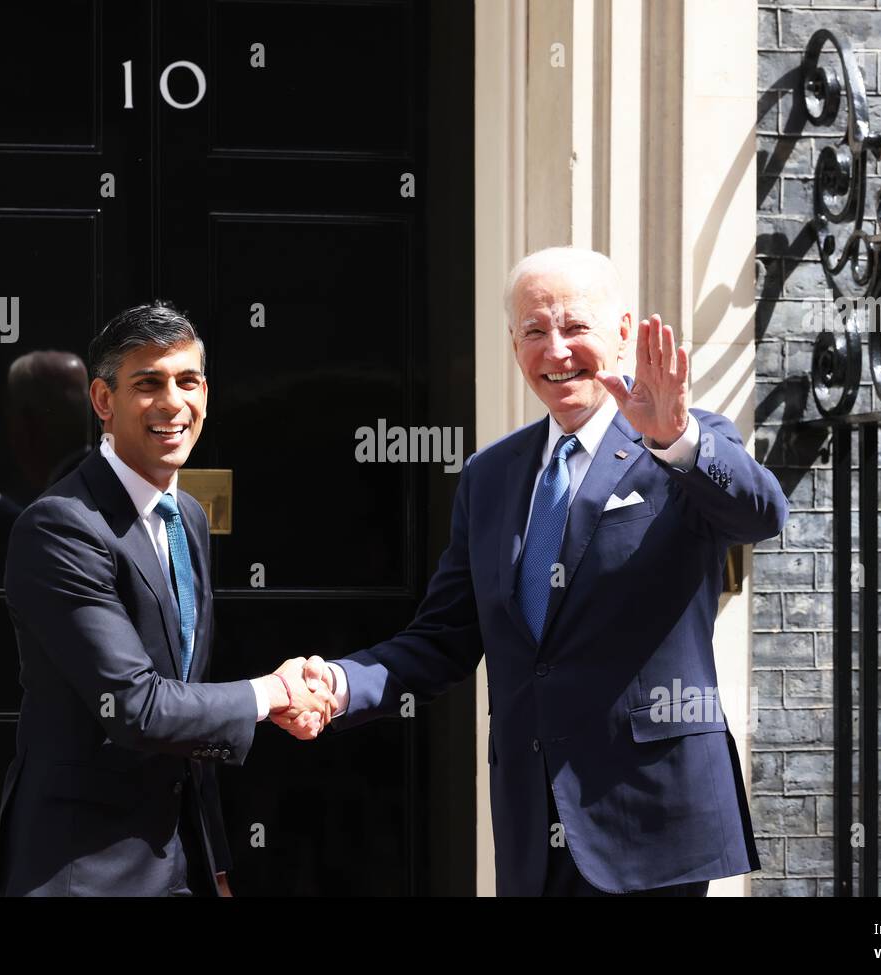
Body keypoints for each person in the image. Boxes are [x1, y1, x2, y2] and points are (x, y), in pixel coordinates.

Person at [272, 247, 789, 896]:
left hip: (650, 821)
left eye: (576, 327)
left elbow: (762, 512)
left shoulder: (680, 444)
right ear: (513, 344)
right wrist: (341, 682)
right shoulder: (491, 476)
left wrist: (677, 439)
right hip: (531, 824)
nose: (555, 351)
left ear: (624, 333)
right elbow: (443, 637)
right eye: (535, 331)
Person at [0, 301, 335, 896]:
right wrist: (274, 692)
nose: (174, 403)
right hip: (84, 871)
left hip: (177, 860)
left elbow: (185, 691)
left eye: (188, 381)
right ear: (103, 401)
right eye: (148, 383)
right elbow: (134, 706)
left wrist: (215, 862)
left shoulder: (187, 517)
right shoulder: (62, 527)